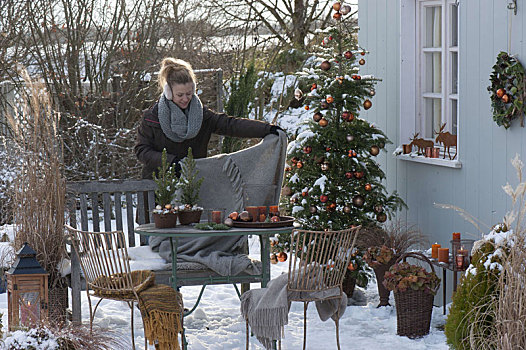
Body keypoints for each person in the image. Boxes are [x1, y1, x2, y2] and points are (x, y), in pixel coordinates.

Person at [135, 57, 282, 180]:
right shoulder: (152, 118)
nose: (185, 99)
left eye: (189, 93)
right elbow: (141, 150)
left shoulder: (201, 115)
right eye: (180, 95)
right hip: (157, 187)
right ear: (168, 92)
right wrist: (172, 162)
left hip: (193, 184)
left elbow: (230, 125)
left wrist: (267, 129)